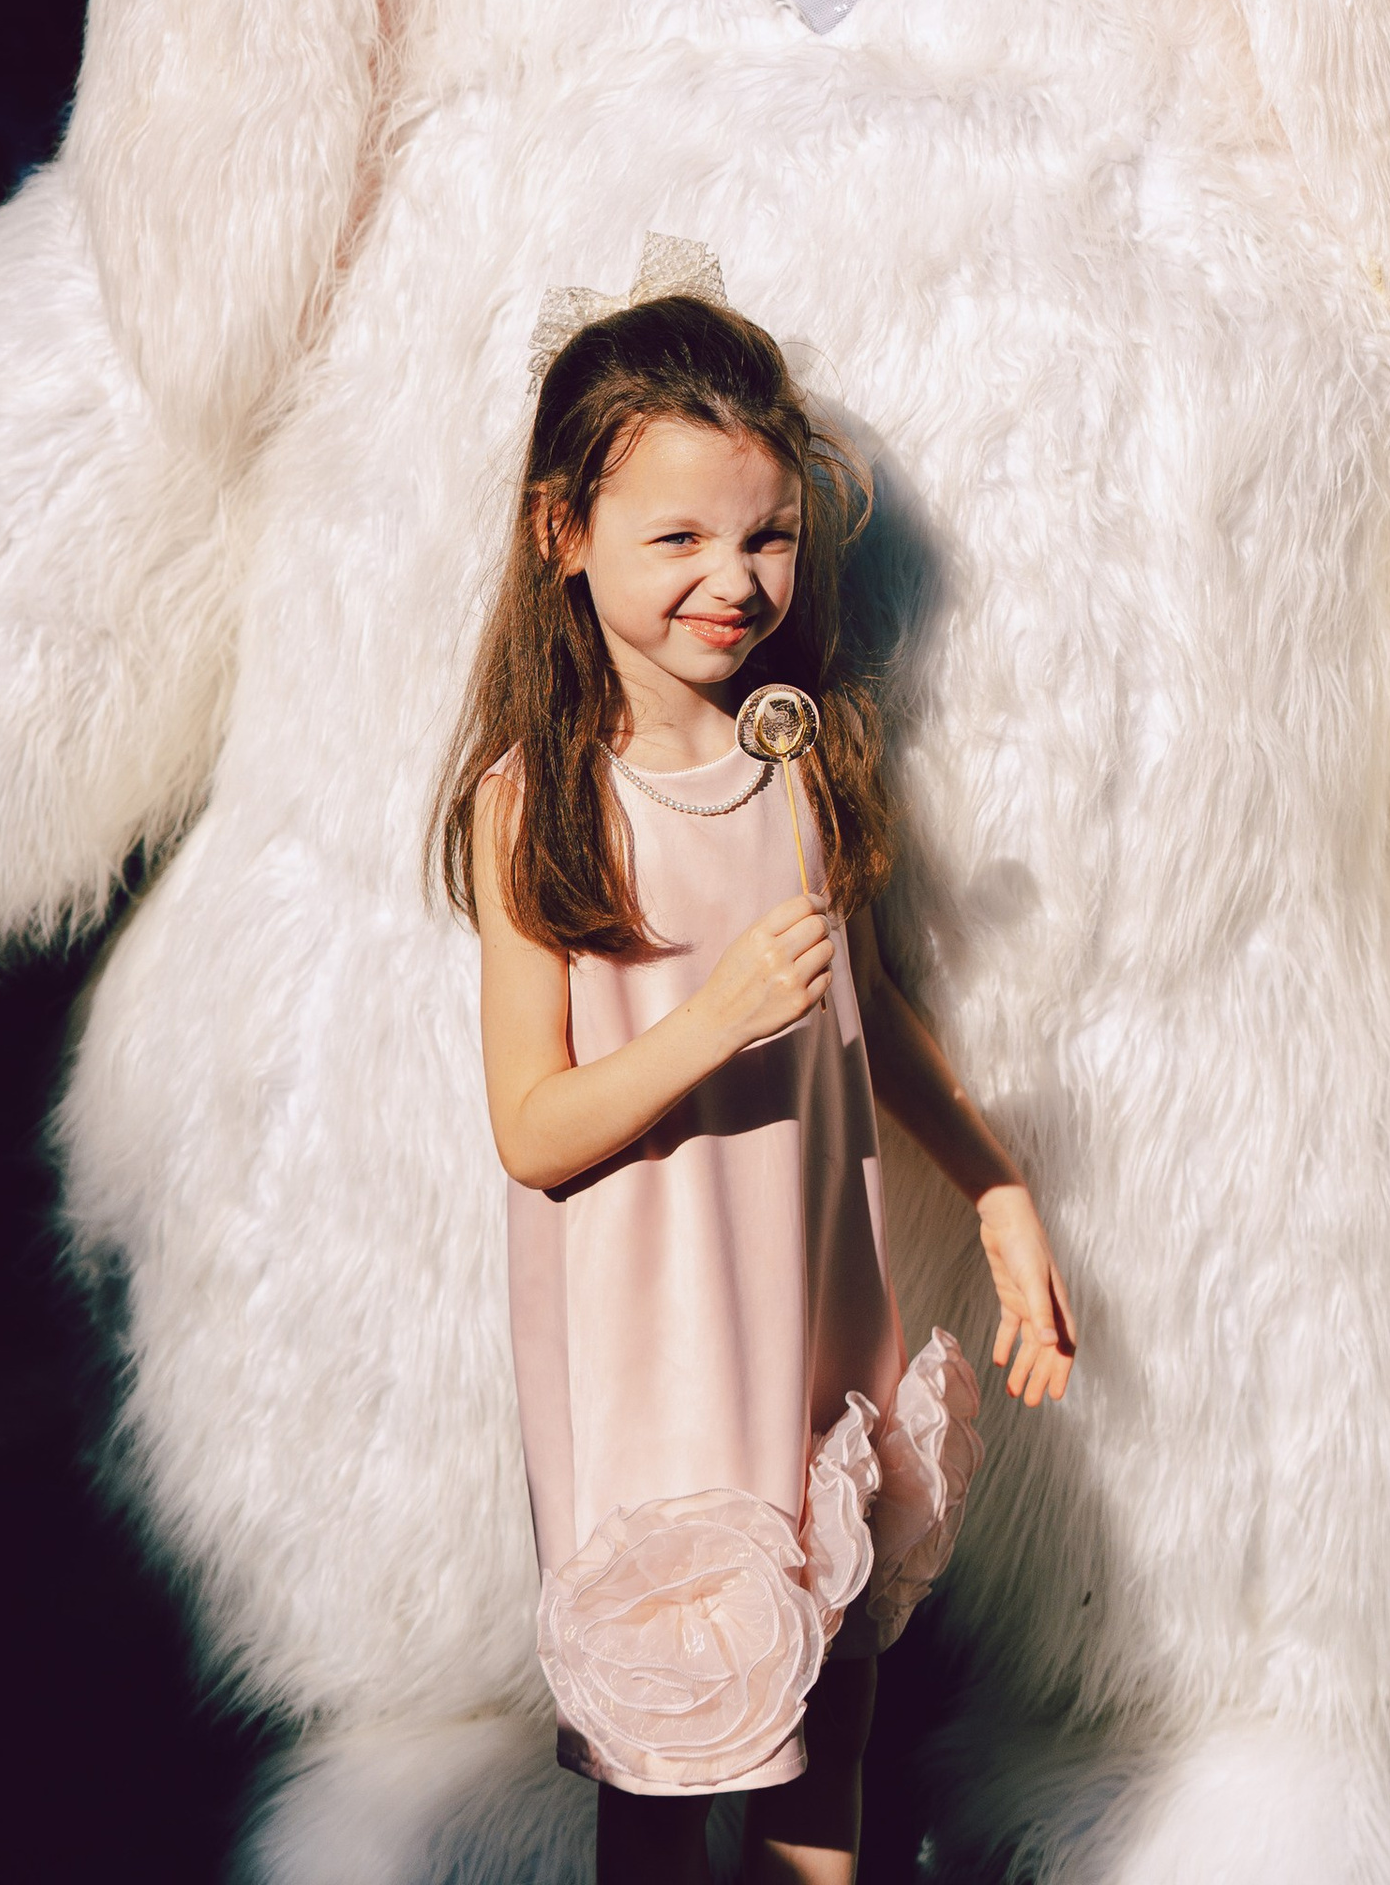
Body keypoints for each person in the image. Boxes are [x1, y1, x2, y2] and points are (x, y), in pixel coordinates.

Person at [436, 292, 1076, 1885]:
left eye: (768, 537)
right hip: (653, 1345)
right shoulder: (541, 808)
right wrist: (715, 1016)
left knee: (834, 1712)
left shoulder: (800, 760)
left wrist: (996, 1189)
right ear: (562, 533)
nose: (734, 582)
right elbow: (535, 1128)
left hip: (809, 1308)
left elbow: (870, 1012)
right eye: (678, 541)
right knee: (670, 1759)